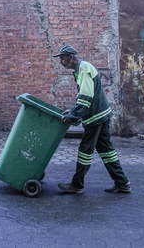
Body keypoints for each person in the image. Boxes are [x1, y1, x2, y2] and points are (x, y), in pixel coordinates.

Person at [52, 45, 130, 194]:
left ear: (72, 57)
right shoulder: (83, 68)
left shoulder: (83, 69)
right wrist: (73, 110)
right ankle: (122, 182)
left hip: (95, 118)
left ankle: (77, 185)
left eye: (63, 58)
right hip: (101, 115)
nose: (61, 62)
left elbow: (85, 97)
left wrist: (72, 117)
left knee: (85, 151)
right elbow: (85, 95)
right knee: (107, 150)